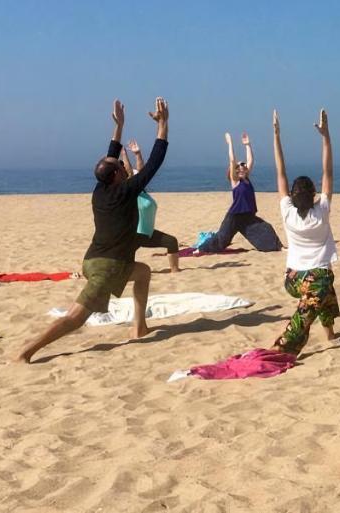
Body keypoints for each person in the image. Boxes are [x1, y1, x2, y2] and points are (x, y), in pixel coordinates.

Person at [16, 98, 170, 363]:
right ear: (117, 176)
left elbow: (110, 156)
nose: (123, 165)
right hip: (107, 267)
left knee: (143, 272)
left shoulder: (100, 189)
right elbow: (155, 161)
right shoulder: (125, 190)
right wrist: (163, 124)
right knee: (75, 319)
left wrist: (119, 127)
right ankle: (27, 351)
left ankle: (139, 327)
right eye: (121, 167)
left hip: (93, 260)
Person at [269, 108, 340, 354]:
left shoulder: (287, 211)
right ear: (314, 196)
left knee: (326, 292)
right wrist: (326, 136)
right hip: (313, 279)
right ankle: (288, 346)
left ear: (292, 195)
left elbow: (280, 172)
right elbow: (328, 172)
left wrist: (276, 136)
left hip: (292, 280)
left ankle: (330, 332)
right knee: (322, 281)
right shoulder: (321, 210)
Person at [196, 131, 283, 253]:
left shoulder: (247, 179)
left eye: (243, 165)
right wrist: (230, 143)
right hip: (235, 216)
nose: (242, 166)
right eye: (239, 166)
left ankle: (277, 247)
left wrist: (248, 145)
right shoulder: (236, 181)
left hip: (248, 216)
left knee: (265, 228)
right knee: (222, 240)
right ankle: (201, 249)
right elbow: (232, 160)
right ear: (235, 171)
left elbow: (251, 160)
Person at [124, 140, 181, 273]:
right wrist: (124, 156)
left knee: (171, 242)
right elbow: (131, 173)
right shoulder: (131, 191)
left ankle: (175, 270)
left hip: (148, 233)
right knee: (123, 263)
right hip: (134, 235)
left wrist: (138, 154)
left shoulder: (142, 191)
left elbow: (141, 172)